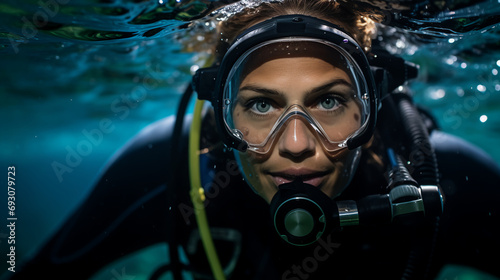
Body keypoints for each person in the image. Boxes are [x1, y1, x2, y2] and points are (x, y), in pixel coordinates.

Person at [8, 1, 500, 279]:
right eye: (261, 105)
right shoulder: (171, 170)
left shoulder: (448, 182)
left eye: (328, 102)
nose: (294, 145)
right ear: (221, 116)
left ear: (371, 108)